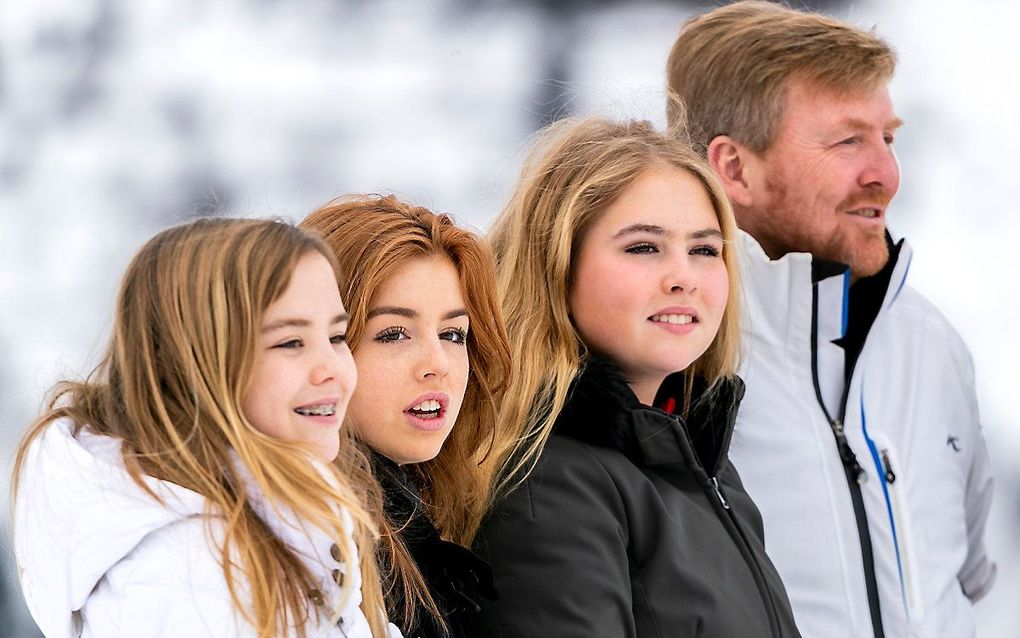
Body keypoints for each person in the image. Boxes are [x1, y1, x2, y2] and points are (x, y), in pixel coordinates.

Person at [666, 3, 996, 637]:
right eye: (849, 141)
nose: (886, 175)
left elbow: (967, 582)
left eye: (888, 138)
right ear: (734, 168)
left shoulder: (932, 347)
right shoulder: (666, 361)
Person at [469, 117, 801, 637]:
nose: (683, 278)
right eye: (644, 247)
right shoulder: (546, 484)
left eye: (704, 249)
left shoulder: (697, 461)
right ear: (555, 265)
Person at [11, 218, 397, 638]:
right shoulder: (186, 572)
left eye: (337, 337)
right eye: (290, 342)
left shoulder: (287, 517)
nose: (334, 371)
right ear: (197, 364)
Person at [301, 195, 511, 638]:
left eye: (454, 334)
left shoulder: (423, 518)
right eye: (394, 333)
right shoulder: (308, 544)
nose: (438, 363)